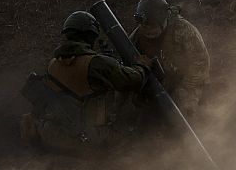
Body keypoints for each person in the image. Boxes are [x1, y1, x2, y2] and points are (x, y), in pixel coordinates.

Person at [21, 11, 149, 154]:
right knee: (138, 144)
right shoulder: (96, 63)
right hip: (88, 139)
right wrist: (141, 65)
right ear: (91, 35)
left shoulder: (53, 63)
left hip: (55, 135)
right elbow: (132, 81)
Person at [129, 0, 210, 117]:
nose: (148, 30)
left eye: (152, 25)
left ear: (163, 21)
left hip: (187, 82)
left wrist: (185, 91)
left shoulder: (183, 30)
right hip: (157, 87)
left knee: (186, 113)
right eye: (144, 26)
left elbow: (200, 63)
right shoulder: (136, 38)